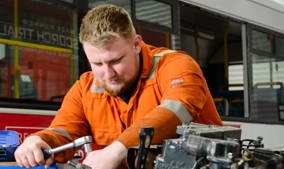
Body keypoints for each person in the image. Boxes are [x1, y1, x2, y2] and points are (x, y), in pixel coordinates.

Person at [14, 4, 222, 169]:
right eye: (97, 64)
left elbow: (176, 109)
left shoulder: (176, 66)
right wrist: (39, 141)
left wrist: (116, 150)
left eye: (115, 61)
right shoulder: (85, 87)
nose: (108, 73)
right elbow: (64, 131)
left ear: (137, 44)